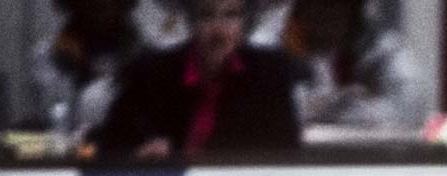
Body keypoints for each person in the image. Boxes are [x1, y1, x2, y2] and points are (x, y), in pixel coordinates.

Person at [95, 0, 300, 158]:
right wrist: (138, 155)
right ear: (191, 21)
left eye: (231, 15)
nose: (218, 30)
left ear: (244, 22)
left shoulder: (269, 75)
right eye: (206, 15)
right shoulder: (151, 73)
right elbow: (107, 147)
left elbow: (288, 152)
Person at [282, 0, 425, 131]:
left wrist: (342, 108)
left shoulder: (383, 49)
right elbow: (275, 108)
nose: (319, 15)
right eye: (311, 5)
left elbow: (408, 111)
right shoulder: (290, 44)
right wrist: (326, 105)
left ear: (354, 10)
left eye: (330, 5)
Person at [31, 0, 145, 141]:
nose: (101, 8)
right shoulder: (52, 53)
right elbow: (49, 112)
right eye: (92, 4)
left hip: (126, 149)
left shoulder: (142, 52)